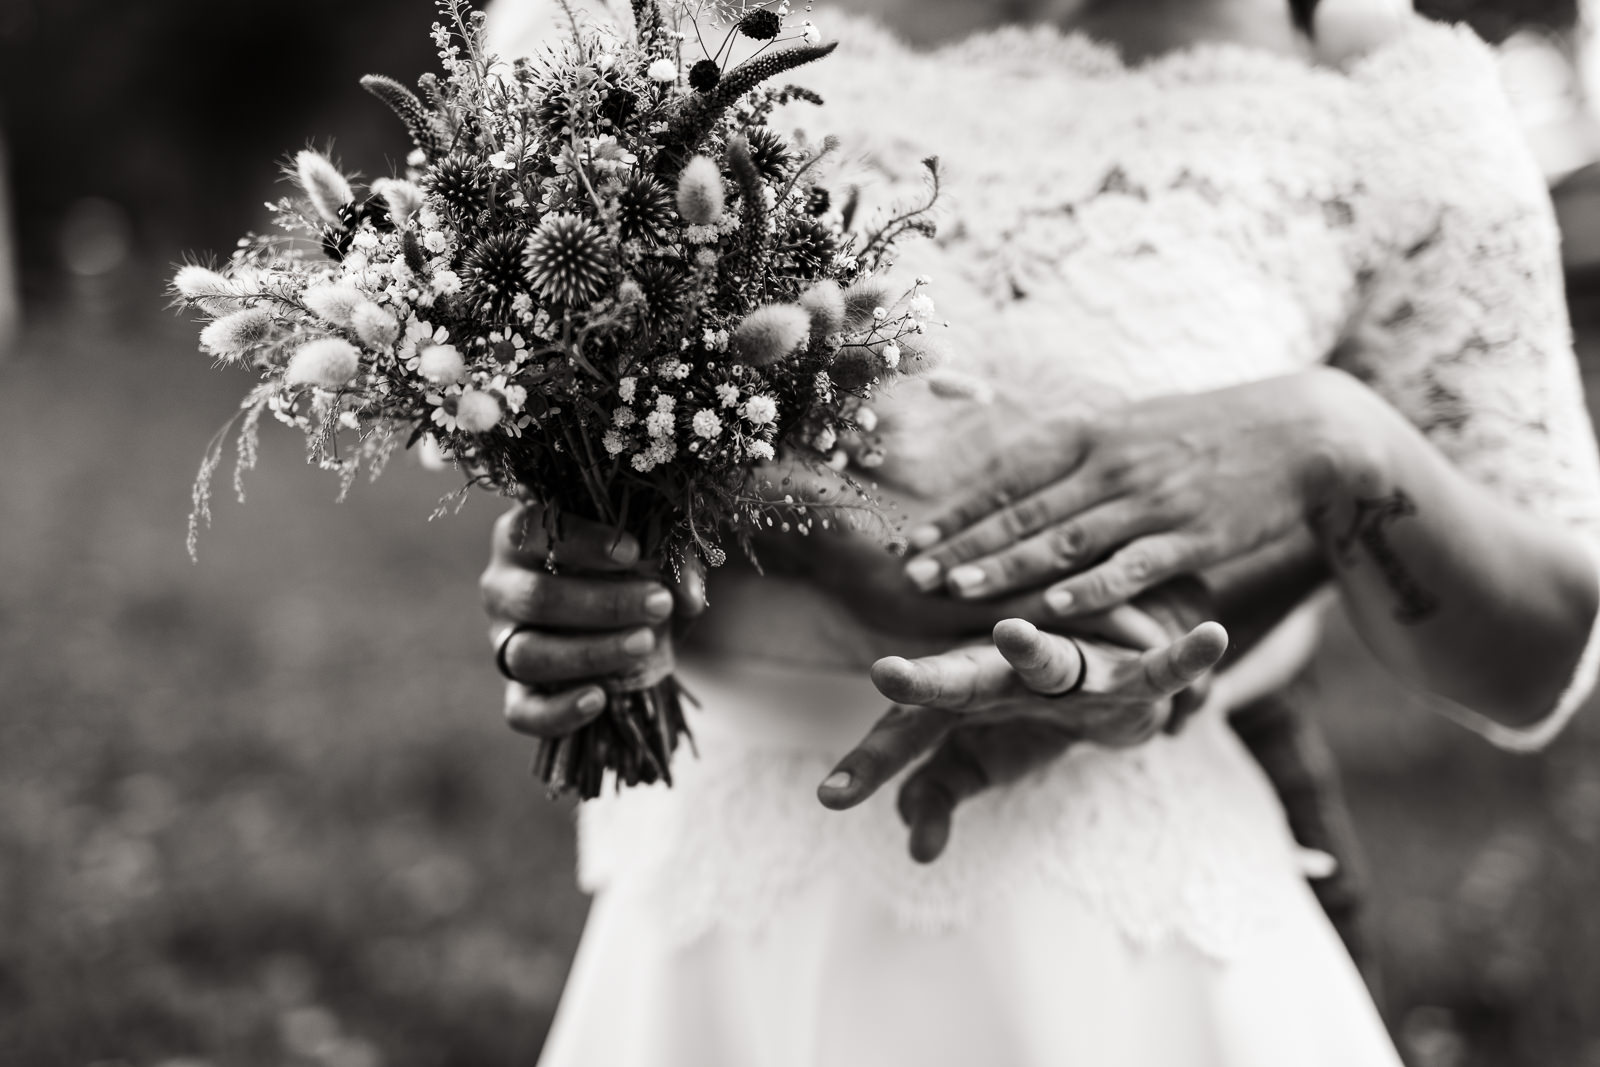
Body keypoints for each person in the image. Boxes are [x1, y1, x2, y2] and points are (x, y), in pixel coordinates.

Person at [477, 0, 1600, 1063]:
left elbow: (1532, 656)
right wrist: (588, 572)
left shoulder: (1382, 96)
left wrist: (1345, 444)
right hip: (724, 896)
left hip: (1151, 881)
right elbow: (552, 410)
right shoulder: (628, 28)